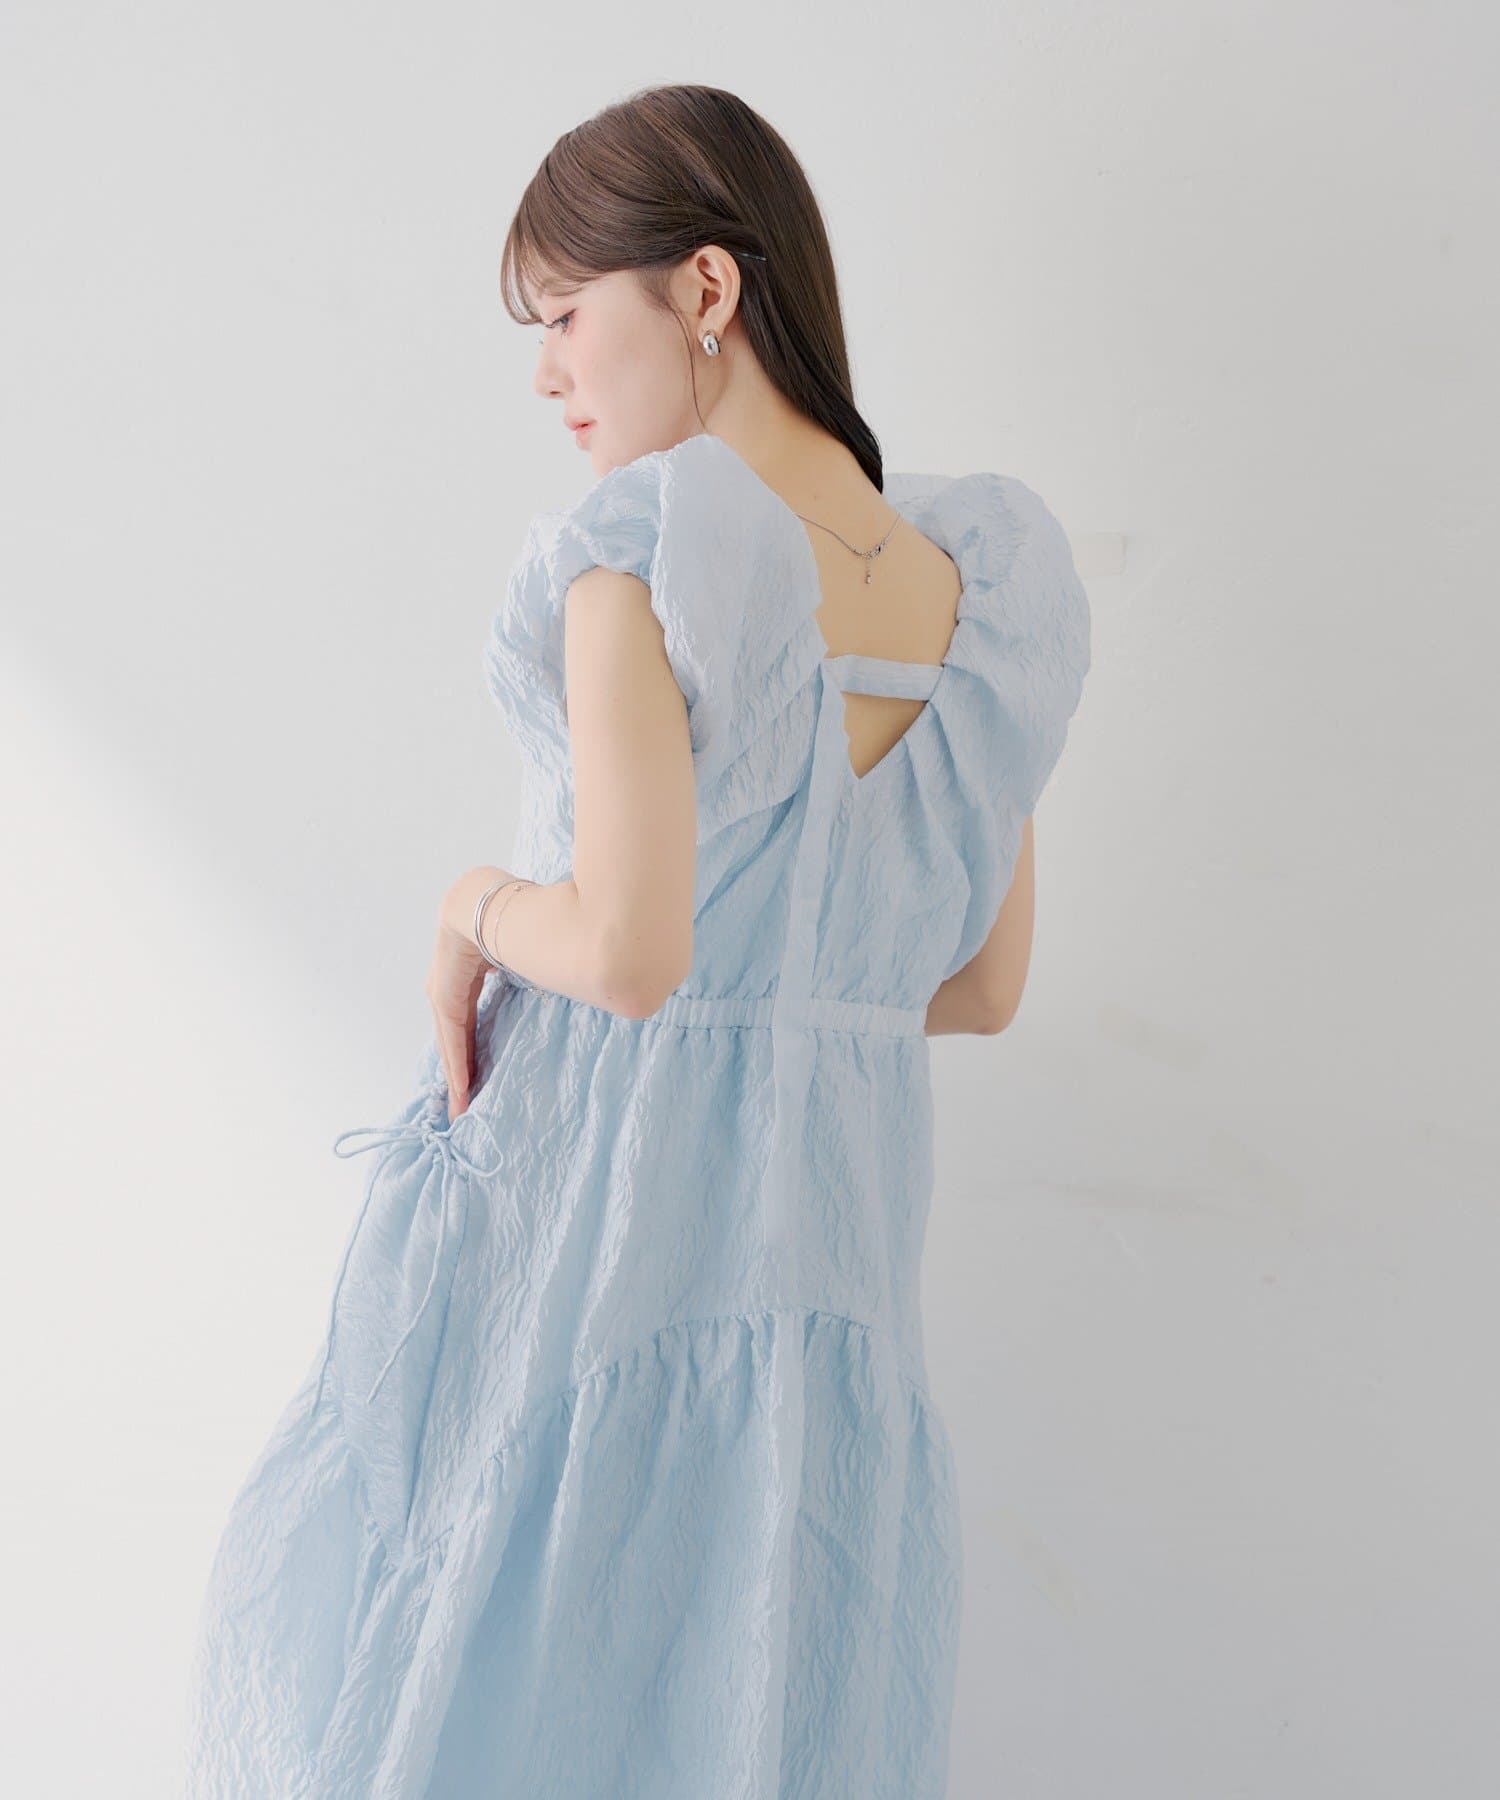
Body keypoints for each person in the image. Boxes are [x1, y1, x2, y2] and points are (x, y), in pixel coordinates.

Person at [180, 82, 1090, 1799]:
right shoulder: (982, 600)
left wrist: (469, 904)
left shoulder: (645, 556)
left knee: (502, 1706)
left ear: (705, 289)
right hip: (826, 1301)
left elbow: (628, 952)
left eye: (562, 315)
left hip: (592, 1262)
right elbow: (979, 985)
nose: (547, 376)